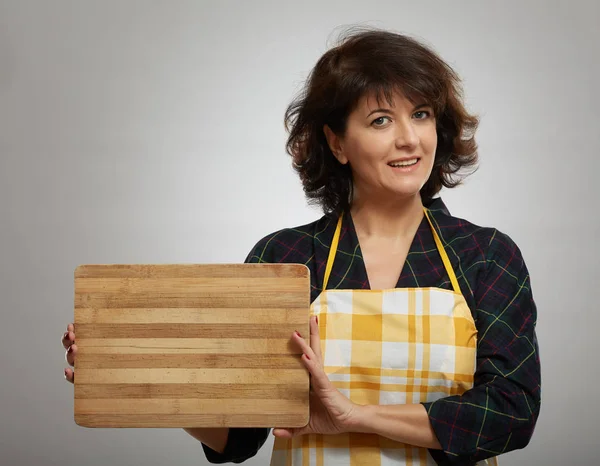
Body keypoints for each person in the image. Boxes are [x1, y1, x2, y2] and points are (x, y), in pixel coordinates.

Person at [61, 27, 541, 466]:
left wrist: (355, 416)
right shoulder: (284, 257)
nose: (408, 139)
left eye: (421, 114)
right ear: (336, 143)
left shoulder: (486, 256)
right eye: (380, 120)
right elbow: (240, 436)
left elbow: (511, 412)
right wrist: (136, 374)